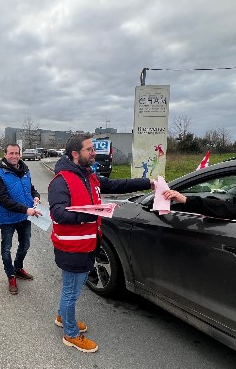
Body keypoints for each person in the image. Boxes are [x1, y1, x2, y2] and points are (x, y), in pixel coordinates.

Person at [48, 134, 154, 353]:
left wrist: (148, 182)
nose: (94, 153)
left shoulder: (90, 176)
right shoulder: (61, 180)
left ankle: (63, 316)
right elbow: (58, 213)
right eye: (89, 149)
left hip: (88, 243)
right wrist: (90, 214)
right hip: (71, 248)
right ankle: (70, 333)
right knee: (72, 291)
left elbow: (116, 184)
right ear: (75, 154)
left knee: (73, 289)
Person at [0, 143, 41, 295]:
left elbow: (31, 188)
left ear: (20, 154)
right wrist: (26, 209)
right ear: (5, 155)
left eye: (16, 153)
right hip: (8, 218)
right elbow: (3, 199)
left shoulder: (25, 170)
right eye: (11, 153)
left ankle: (18, 268)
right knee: (6, 248)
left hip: (25, 216)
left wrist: (36, 197)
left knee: (25, 245)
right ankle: (10, 275)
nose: (14, 156)